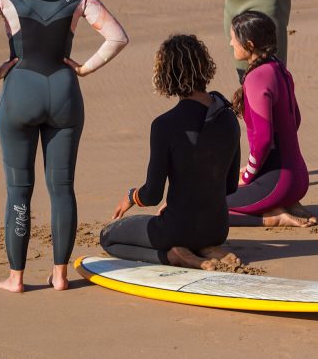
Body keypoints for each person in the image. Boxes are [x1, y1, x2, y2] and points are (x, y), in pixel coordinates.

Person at [0, 0, 128, 293]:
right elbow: (117, 37)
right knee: (62, 187)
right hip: (64, 94)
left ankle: (17, 278)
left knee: (19, 188)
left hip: (19, 92)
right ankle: (60, 275)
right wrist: (83, 68)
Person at [101, 34, 242, 269]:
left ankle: (174, 256)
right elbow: (230, 186)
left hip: (177, 230)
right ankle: (208, 248)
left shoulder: (164, 125)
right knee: (193, 229)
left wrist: (131, 196)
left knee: (108, 237)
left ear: (167, 75)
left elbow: (152, 195)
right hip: (217, 229)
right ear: (204, 66)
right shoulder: (228, 117)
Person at [226, 10, 315, 227]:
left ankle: (273, 216)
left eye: (233, 38)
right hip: (299, 178)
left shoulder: (256, 78)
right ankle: (287, 204)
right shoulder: (279, 69)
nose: (230, 43)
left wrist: (248, 175)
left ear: (248, 44)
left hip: (278, 183)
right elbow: (295, 121)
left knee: (202, 206)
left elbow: (264, 140)